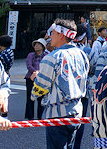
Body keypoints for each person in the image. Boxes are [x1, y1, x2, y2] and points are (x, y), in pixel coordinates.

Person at [31, 19, 89, 149]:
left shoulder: (52, 57)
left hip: (57, 113)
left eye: (52, 33)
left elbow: (40, 87)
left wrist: (36, 80)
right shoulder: (82, 55)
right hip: (76, 111)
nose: (49, 36)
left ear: (61, 35)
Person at [25, 38, 47, 120]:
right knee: (30, 97)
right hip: (30, 77)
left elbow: (47, 66)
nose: (36, 46)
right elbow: (29, 65)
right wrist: (35, 72)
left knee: (41, 97)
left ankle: (40, 116)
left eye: (38, 45)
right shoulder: (31, 55)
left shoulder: (46, 55)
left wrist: (39, 73)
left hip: (42, 78)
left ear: (43, 46)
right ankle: (30, 116)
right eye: (35, 45)